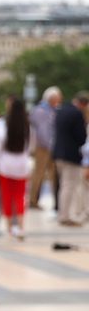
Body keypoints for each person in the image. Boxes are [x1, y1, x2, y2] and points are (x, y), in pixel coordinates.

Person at [0, 96, 33, 238]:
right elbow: (31, 146)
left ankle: (9, 227)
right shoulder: (27, 125)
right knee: (20, 196)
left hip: (5, 164)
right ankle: (21, 226)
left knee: (7, 195)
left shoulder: (3, 123)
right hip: (22, 164)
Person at [52, 91, 89, 226]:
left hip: (58, 153)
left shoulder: (61, 110)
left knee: (63, 185)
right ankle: (65, 215)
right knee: (69, 185)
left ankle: (63, 212)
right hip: (71, 155)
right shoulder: (77, 114)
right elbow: (81, 137)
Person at [27, 87, 61, 209]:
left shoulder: (52, 110)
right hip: (43, 146)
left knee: (53, 174)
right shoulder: (41, 111)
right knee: (39, 173)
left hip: (51, 146)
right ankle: (33, 200)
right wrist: (50, 145)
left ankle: (56, 202)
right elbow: (43, 132)